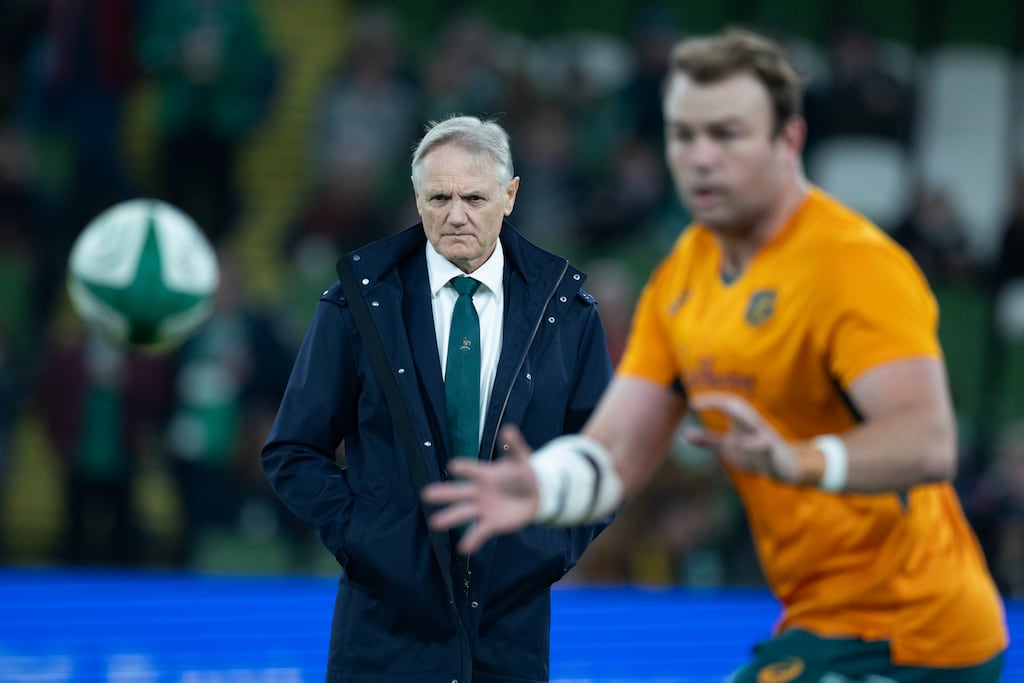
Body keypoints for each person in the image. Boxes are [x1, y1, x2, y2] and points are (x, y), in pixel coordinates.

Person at [423, 29, 1009, 682]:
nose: (700, 157)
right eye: (684, 134)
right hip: (821, 622)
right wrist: (544, 485)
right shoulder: (682, 277)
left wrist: (802, 460)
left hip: (918, 631)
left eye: (726, 134)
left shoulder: (851, 265)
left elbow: (928, 443)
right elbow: (618, 451)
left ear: (788, 140)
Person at [261, 115, 613, 682]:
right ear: (415, 198)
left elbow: (604, 457)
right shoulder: (355, 304)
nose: (455, 216)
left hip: (511, 628)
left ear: (510, 195)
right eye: (438, 197)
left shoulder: (567, 313)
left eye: (474, 197)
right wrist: (366, 540)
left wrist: (545, 548)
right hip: (382, 626)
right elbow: (293, 451)